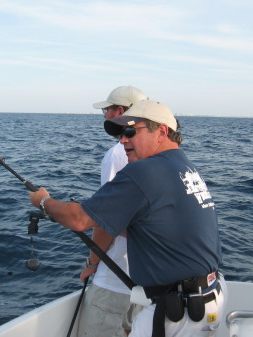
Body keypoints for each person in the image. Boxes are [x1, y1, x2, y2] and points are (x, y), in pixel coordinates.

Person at [30, 100, 227, 337]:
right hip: (208, 299)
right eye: (122, 133)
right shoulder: (185, 167)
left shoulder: (144, 171)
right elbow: (161, 225)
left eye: (131, 131)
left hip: (177, 312)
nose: (123, 140)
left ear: (161, 131)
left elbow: (79, 220)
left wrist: (43, 201)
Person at [77, 85, 147, 337]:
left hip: (116, 280)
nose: (104, 115)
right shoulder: (157, 154)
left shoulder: (118, 153)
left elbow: (107, 219)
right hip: (148, 279)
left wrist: (91, 264)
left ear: (120, 112)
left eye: (107, 109)